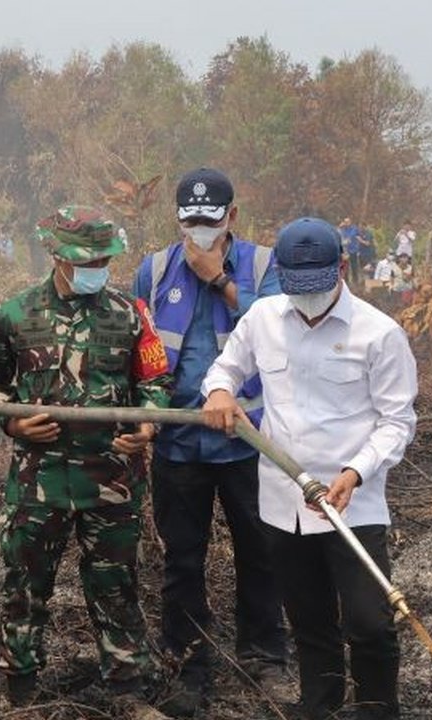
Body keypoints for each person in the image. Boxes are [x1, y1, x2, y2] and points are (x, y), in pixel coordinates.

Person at [201, 217, 418, 720]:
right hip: (283, 499)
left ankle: (377, 710)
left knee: (369, 621)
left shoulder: (379, 333)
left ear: (341, 267)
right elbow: (224, 369)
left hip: (352, 501)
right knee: (307, 617)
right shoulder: (262, 318)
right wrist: (220, 392)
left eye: (317, 286)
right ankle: (319, 705)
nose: (307, 299)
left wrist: (355, 472)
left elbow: (397, 421)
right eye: (296, 287)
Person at [0, 205, 173, 710]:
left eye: (103, 260)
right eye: (87, 260)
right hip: (38, 479)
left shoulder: (130, 314)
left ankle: (126, 689)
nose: (96, 269)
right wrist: (13, 423)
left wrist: (146, 425)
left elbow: (154, 381)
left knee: (116, 584)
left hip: (112, 478)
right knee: (25, 584)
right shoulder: (13, 315)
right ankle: (21, 691)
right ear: (57, 256)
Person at [131, 168, 287, 715]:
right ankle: (188, 662)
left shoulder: (264, 265)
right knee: (182, 558)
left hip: (248, 440)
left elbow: (279, 333)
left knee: (261, 552)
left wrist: (218, 278)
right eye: (190, 220)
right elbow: (139, 349)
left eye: (210, 219)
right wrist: (144, 419)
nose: (199, 229)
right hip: (178, 444)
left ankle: (264, 655)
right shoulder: (153, 270)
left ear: (232, 217)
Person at [338, 218, 363, 285]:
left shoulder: (354, 229)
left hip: (353, 250)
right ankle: (346, 281)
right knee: (346, 267)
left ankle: (355, 281)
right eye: (345, 222)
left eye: (348, 222)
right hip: (346, 251)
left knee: (354, 266)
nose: (346, 223)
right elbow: (340, 236)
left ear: (350, 222)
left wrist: (358, 247)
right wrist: (340, 227)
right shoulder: (342, 229)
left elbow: (358, 237)